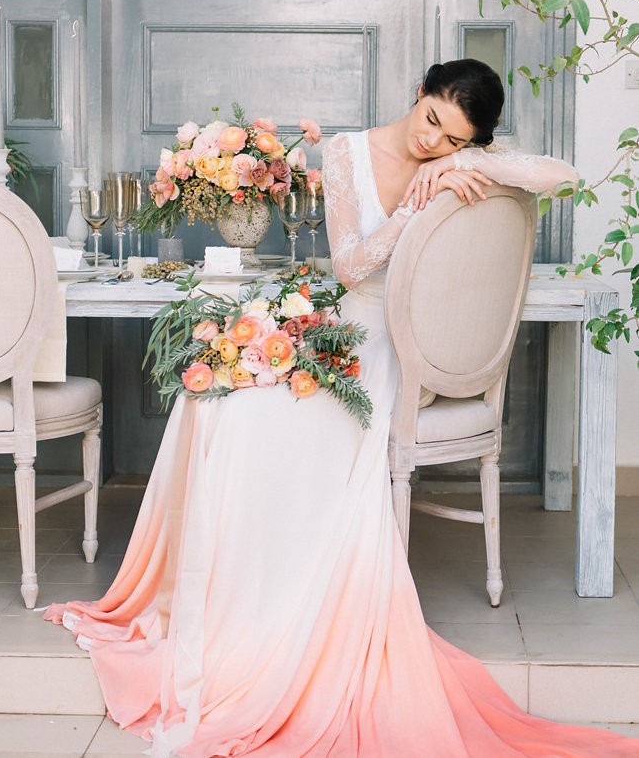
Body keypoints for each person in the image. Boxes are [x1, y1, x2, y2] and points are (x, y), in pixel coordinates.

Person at [47, 59, 639, 757]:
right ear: (418, 94)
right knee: (217, 405)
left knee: (265, 420)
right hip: (343, 332)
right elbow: (352, 267)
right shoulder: (346, 152)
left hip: (402, 352)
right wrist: (415, 204)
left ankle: (279, 612)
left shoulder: (459, 159)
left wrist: (469, 164)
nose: (432, 142)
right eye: (432, 121)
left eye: (453, 138)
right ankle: (235, 603)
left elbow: (562, 176)